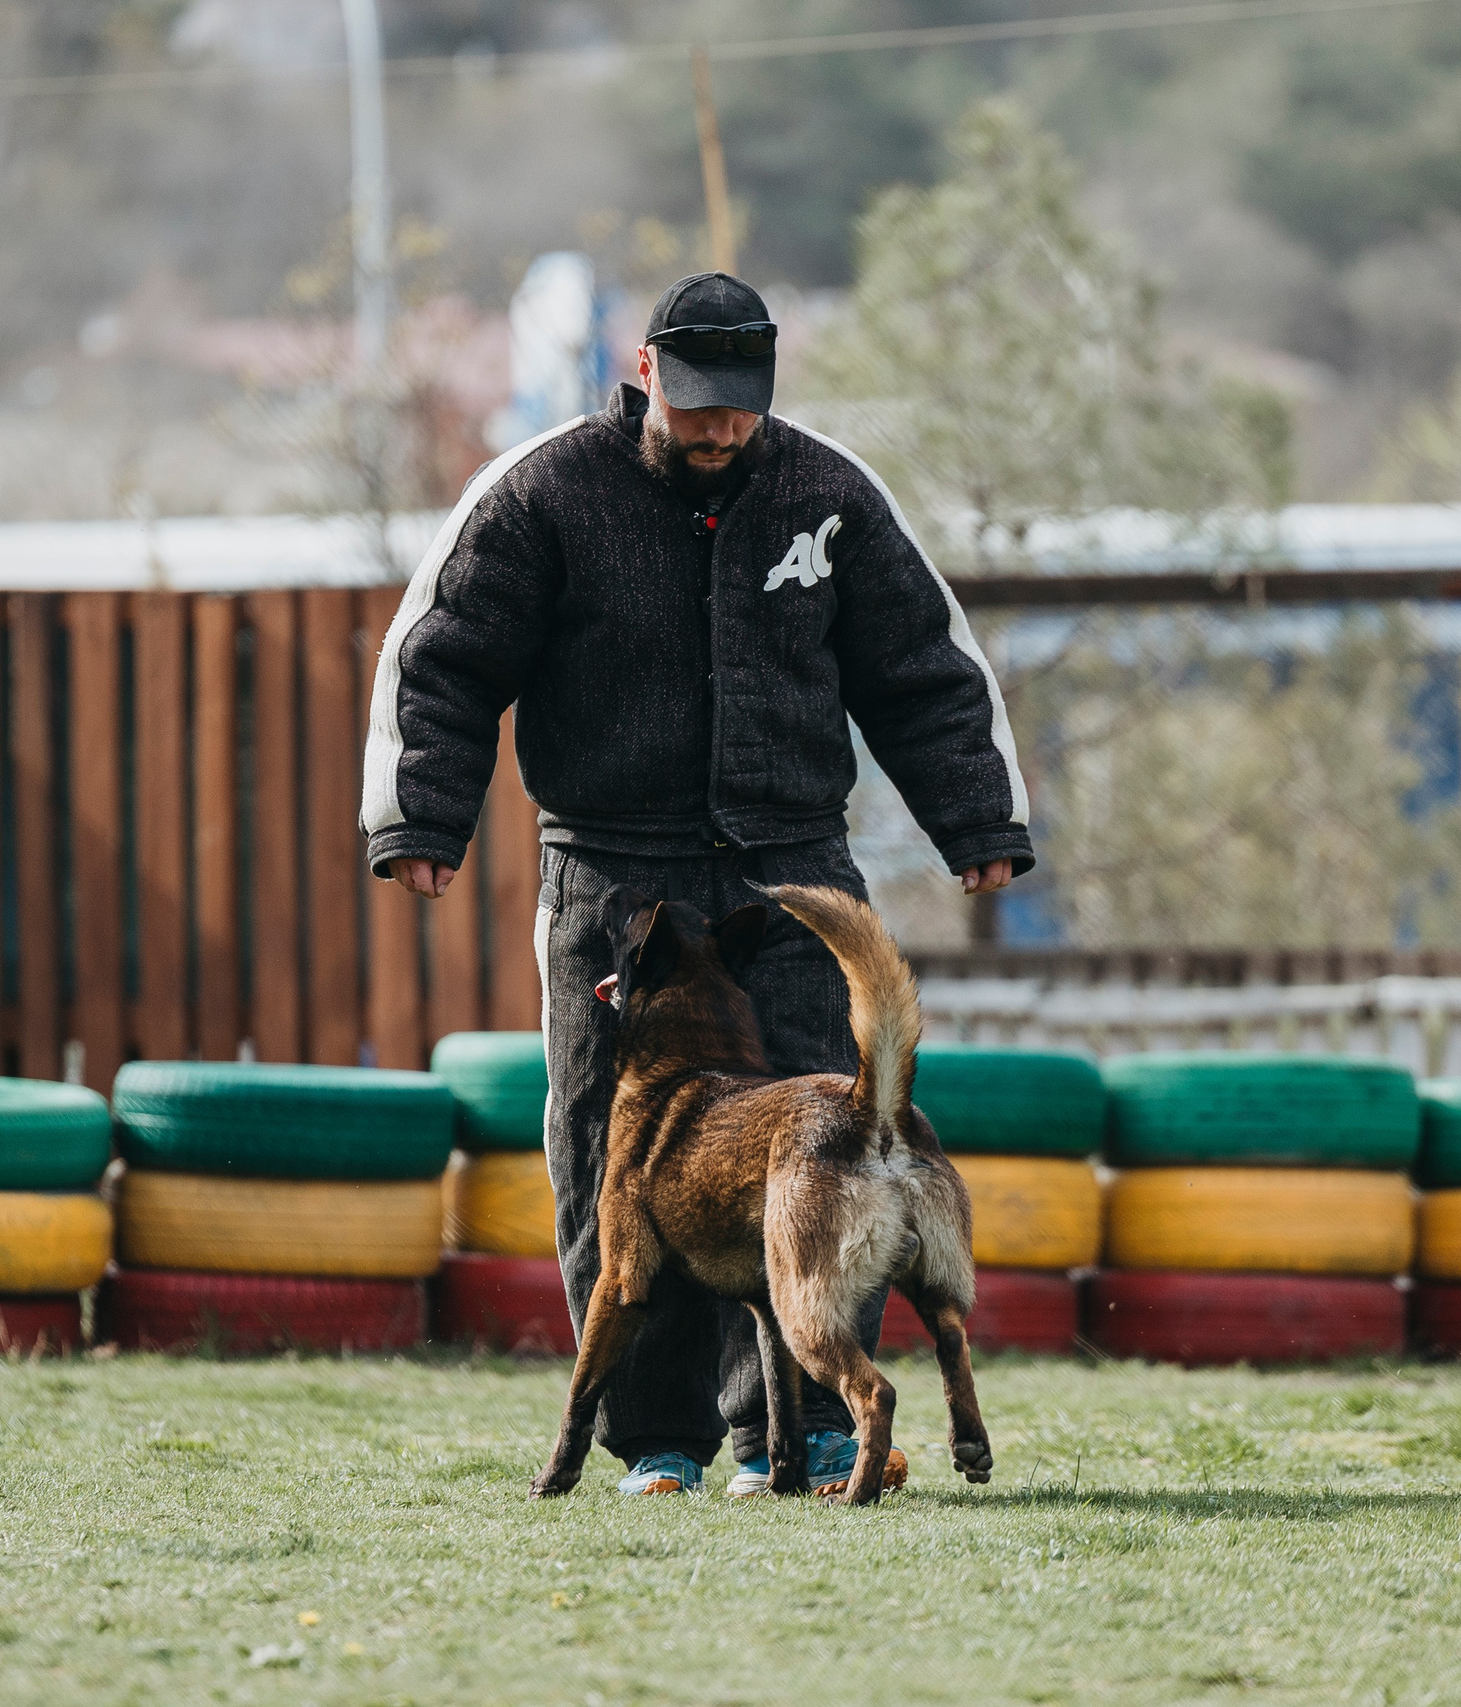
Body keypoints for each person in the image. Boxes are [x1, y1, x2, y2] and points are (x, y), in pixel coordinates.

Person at [360, 272, 1029, 1497]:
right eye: (697, 404)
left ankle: (807, 1433)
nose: (721, 428)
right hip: (615, 880)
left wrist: (978, 817)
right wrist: (421, 815)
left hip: (790, 868)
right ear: (645, 374)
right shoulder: (546, 492)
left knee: (826, 1143)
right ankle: (656, 1441)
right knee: (606, 1153)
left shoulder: (827, 493)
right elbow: (442, 659)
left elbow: (923, 669)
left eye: (741, 406)